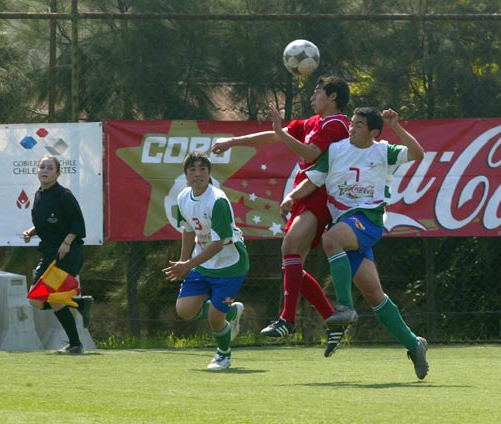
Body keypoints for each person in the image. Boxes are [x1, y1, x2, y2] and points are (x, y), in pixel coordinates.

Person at [280, 107, 429, 379]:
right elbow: (313, 180)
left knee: (331, 238)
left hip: (367, 220)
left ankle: (345, 307)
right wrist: (292, 197)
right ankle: (414, 344)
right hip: (347, 228)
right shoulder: (336, 150)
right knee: (374, 295)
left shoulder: (383, 151)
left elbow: (418, 153)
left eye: (359, 125)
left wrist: (396, 127)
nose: (352, 128)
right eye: (352, 123)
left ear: (374, 132)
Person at [212, 75, 350, 352]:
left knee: (289, 248)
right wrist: (232, 142)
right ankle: (331, 319)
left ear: (333, 96)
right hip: (306, 191)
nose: (312, 96)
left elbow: (310, 153)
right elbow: (275, 135)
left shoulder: (336, 123)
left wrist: (282, 133)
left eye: (318, 91)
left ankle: (287, 319)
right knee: (293, 264)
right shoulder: (313, 122)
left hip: (320, 193)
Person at [163, 151, 248, 371]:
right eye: (192, 169)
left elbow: (219, 244)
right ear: (186, 174)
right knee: (185, 310)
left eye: (202, 169)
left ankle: (223, 355)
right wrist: (183, 262)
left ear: (209, 173)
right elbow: (188, 230)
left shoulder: (217, 201)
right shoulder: (184, 197)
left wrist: (187, 265)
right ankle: (231, 311)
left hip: (230, 266)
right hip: (202, 265)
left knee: (215, 320)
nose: (197, 174)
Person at [23, 154, 93, 354]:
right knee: (36, 299)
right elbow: (45, 223)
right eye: (42, 167)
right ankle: (80, 303)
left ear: (58, 173)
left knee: (53, 298)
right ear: (37, 171)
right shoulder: (38, 195)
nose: (45, 171)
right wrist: (31, 232)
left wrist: (66, 243)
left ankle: (75, 345)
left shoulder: (64, 195)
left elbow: (77, 223)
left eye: (50, 168)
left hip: (67, 254)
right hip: (48, 254)